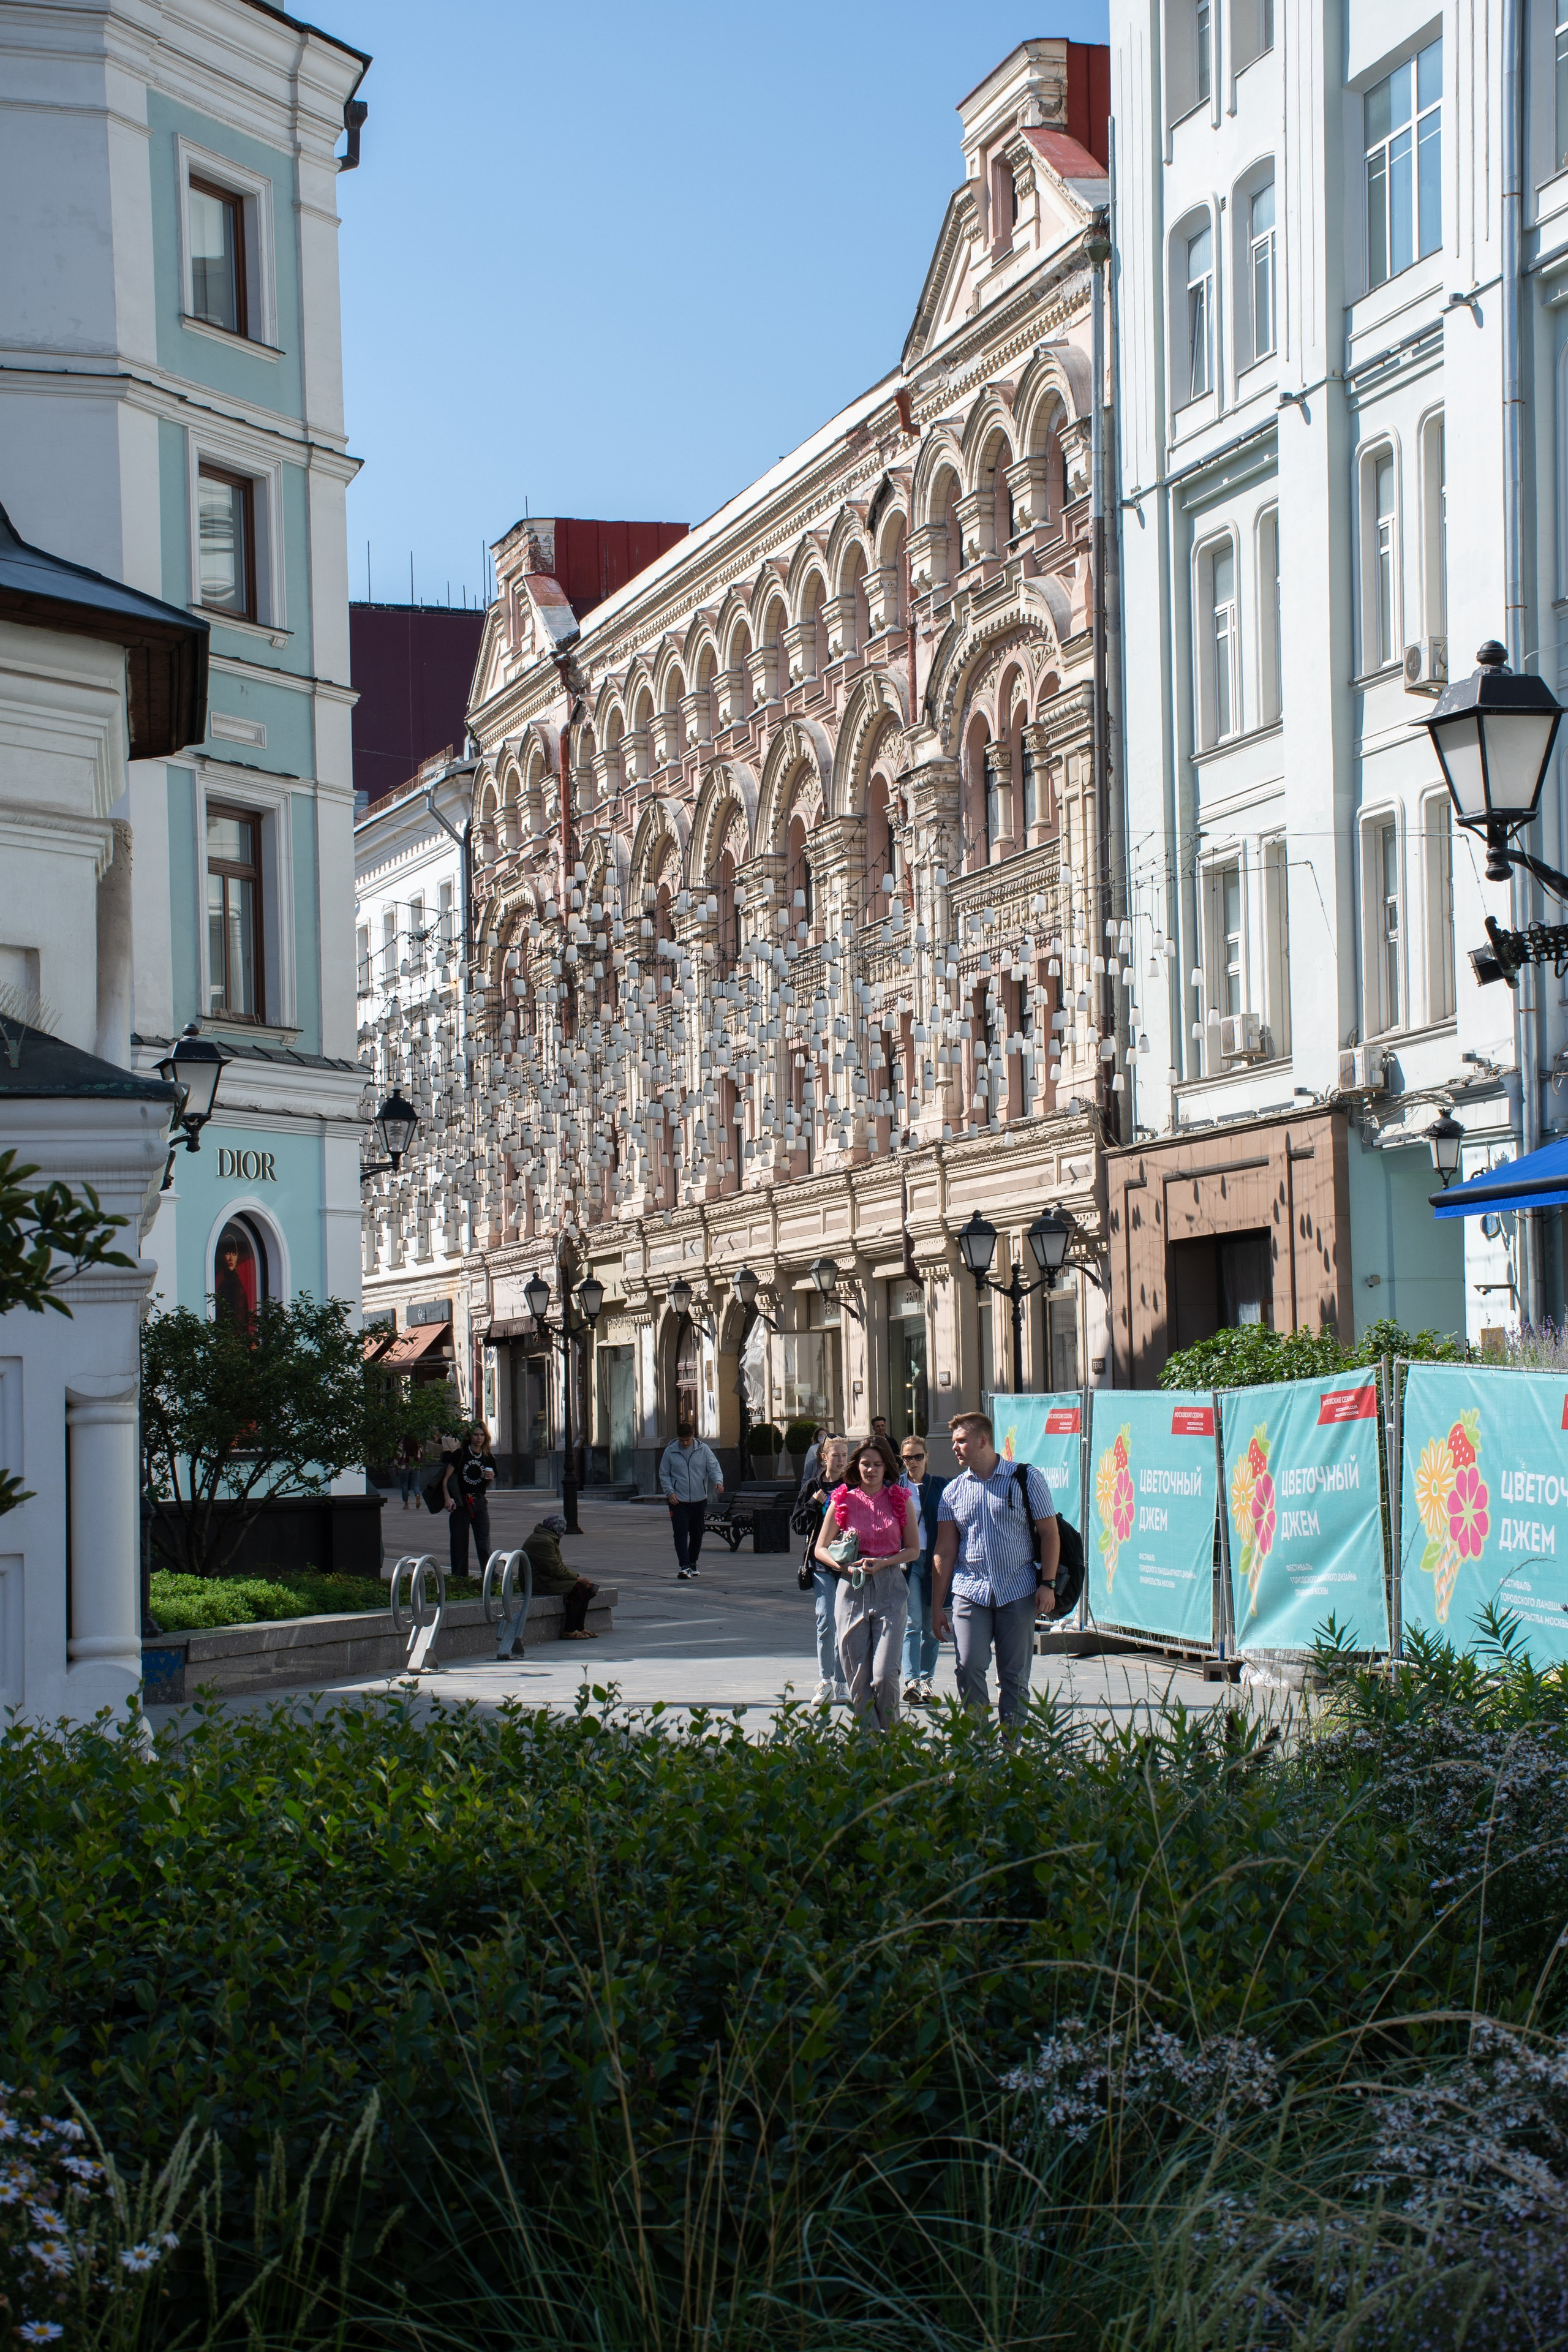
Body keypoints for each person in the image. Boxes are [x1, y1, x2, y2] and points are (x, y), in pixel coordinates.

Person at [932, 1411, 1058, 1730]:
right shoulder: (953, 1491)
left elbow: (1050, 1534)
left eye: (961, 1441)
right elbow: (945, 1551)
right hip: (970, 1590)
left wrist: (1049, 1583)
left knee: (1014, 1675)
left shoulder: (1026, 1478)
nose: (955, 1448)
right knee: (968, 1666)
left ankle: (1012, 1748)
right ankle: (977, 1745)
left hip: (1018, 1589)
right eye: (953, 1442)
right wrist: (936, 1606)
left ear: (982, 1441)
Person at [814, 1433, 920, 1731]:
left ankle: (890, 1740)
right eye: (864, 1464)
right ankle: (868, 1746)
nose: (871, 1470)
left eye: (877, 1464)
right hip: (851, 1590)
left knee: (885, 1674)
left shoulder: (900, 1499)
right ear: (856, 1466)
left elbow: (913, 1549)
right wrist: (844, 1566)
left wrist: (885, 1562)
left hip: (890, 1587)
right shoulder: (843, 1499)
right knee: (857, 1678)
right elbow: (820, 1549)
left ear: (887, 1467)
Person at [796, 1433, 850, 1706]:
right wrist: (814, 1503)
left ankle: (842, 1684)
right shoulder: (813, 1486)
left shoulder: (854, 1485)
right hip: (821, 1564)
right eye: (836, 1455)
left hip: (850, 1564)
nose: (841, 1460)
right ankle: (826, 1680)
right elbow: (798, 1526)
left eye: (844, 1455)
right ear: (823, 1457)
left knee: (846, 1623)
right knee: (826, 1618)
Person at [898, 1434, 947, 1705]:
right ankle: (912, 1680)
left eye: (918, 1456)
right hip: (908, 1561)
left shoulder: (940, 1485)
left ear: (927, 1457)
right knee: (912, 1623)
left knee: (931, 1627)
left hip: (935, 1561)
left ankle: (927, 1681)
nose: (913, 1462)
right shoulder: (896, 1488)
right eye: (908, 1458)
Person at [658, 1419, 725, 1580]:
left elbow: (713, 1467)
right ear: (678, 1438)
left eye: (688, 1440)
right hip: (678, 1501)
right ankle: (684, 1566)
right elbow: (664, 1474)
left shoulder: (703, 1449)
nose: (685, 1444)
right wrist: (670, 1492)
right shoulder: (671, 1451)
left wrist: (718, 1481)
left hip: (698, 1499)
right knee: (680, 1532)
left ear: (693, 1436)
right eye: (682, 1441)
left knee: (697, 1533)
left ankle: (693, 1563)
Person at [524, 1512, 600, 1639]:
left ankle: (580, 1627)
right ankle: (569, 1630)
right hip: (538, 1581)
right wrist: (577, 1578)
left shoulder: (547, 1537)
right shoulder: (543, 1541)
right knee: (578, 1588)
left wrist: (576, 1578)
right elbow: (555, 1569)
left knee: (585, 1588)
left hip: (546, 1578)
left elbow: (556, 1566)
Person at [442, 1422, 497, 1577]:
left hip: (479, 1503)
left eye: (482, 1435)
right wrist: (448, 1498)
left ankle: (490, 1577)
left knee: (484, 1543)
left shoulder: (488, 1457)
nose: (479, 1438)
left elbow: (485, 1485)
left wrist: (489, 1479)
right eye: (476, 1434)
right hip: (461, 1503)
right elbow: (446, 1479)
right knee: (460, 1544)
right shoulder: (460, 1454)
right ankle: (460, 1579)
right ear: (470, 1437)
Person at [395, 1431, 423, 1512]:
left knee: (404, 1485)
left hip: (405, 1466)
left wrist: (396, 1464)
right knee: (416, 1483)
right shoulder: (417, 1442)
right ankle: (417, 1495)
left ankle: (406, 1504)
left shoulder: (403, 1442)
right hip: (415, 1465)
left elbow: (399, 1455)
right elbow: (422, 1452)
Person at [797, 1423, 828, 1491]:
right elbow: (807, 1466)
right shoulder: (812, 1449)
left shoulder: (831, 1448)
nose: (822, 1436)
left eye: (824, 1435)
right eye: (820, 1435)